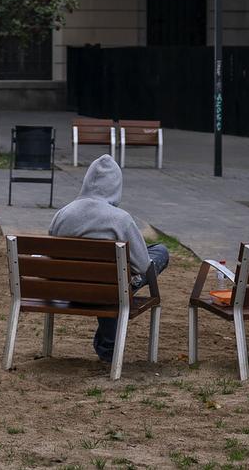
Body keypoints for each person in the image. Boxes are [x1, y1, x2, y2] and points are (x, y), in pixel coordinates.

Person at [48, 154, 167, 366]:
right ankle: (109, 344)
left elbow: (52, 255)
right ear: (116, 186)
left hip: (69, 291)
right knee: (157, 253)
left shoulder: (63, 214)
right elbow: (142, 265)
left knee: (112, 274)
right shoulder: (120, 219)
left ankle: (107, 343)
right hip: (109, 292)